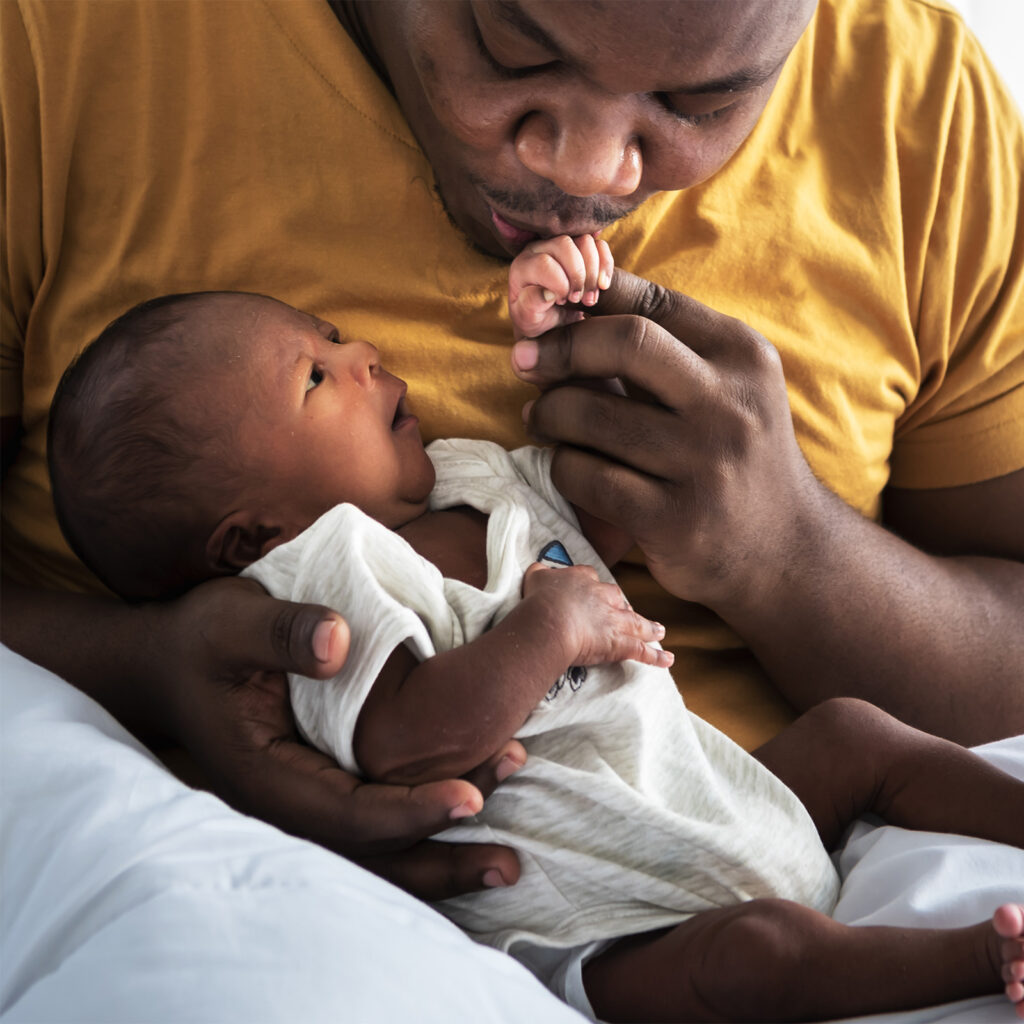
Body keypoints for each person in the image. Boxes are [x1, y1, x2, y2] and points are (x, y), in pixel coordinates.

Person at [3, 0, 1023, 900]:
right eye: (514, 51)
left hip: (776, 830)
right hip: (266, 897)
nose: (586, 167)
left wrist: (789, 551)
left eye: (703, 101)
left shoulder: (919, 103)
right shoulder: (61, 45)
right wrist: (148, 665)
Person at [45, 240, 1024, 1023]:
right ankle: (980, 956)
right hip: (600, 918)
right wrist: (547, 631)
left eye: (334, 334)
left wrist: (579, 332)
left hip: (708, 796)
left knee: (854, 734)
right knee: (752, 956)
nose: (361, 357)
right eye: (314, 378)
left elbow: (602, 516)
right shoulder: (316, 578)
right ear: (252, 532)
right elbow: (403, 742)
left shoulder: (469, 471)